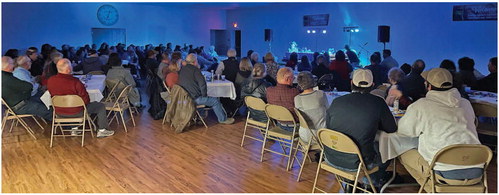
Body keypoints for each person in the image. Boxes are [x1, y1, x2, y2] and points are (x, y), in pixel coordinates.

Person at [397, 68, 482, 192]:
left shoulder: (421, 106)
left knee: (402, 152)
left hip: (444, 170)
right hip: (477, 168)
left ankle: (433, 188)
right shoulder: (465, 103)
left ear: (428, 86)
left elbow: (404, 131)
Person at [325, 68, 397, 189]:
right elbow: (391, 128)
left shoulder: (336, 101)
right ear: (373, 85)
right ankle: (370, 184)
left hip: (331, 157)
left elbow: (329, 127)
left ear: (351, 82)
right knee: (387, 151)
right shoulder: (378, 102)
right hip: (358, 163)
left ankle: (347, 183)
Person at [47, 58, 114, 138]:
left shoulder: (51, 80)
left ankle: (74, 129)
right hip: (77, 112)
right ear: (68, 69)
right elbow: (86, 100)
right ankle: (102, 130)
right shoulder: (75, 82)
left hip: (59, 112)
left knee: (70, 106)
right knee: (100, 106)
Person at [178, 53, 235, 125]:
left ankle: (200, 116)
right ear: (195, 61)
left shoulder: (183, 70)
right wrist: (204, 95)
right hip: (194, 98)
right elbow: (203, 85)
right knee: (215, 101)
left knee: (201, 95)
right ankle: (222, 119)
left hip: (185, 97)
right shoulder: (195, 70)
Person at [2, 56, 52, 121]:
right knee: (48, 110)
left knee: (45, 102)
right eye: (12, 64)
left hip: (19, 102)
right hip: (20, 105)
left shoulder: (5, 76)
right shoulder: (7, 78)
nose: (14, 65)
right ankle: (61, 126)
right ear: (7, 65)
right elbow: (28, 87)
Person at [294, 71, 327, 143]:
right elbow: (328, 110)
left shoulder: (297, 98)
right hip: (321, 134)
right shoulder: (321, 94)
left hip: (305, 135)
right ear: (313, 81)